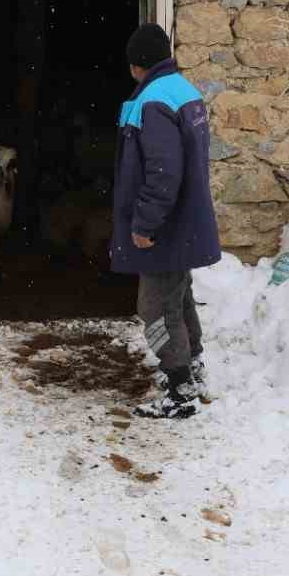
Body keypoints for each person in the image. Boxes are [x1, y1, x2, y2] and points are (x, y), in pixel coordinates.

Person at [111, 22, 222, 419]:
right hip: (185, 220)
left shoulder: (153, 101)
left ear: (135, 65)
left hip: (165, 226)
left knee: (155, 307)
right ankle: (191, 367)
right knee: (179, 296)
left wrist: (144, 224)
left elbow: (162, 172)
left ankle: (178, 389)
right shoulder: (184, 92)